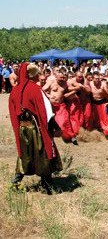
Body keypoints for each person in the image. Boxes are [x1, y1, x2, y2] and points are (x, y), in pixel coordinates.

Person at [9, 63, 62, 194]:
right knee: (42, 152)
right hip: (35, 128)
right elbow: (46, 112)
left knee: (24, 154)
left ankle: (16, 183)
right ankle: (47, 186)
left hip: (22, 129)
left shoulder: (14, 90)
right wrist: (54, 125)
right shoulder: (35, 89)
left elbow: (12, 110)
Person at [43, 71, 78, 145]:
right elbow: (42, 90)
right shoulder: (51, 82)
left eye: (63, 77)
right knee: (50, 121)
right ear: (56, 77)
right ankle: (49, 136)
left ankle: (71, 136)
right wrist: (49, 96)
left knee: (65, 121)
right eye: (60, 77)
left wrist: (73, 91)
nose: (62, 79)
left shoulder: (65, 84)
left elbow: (74, 89)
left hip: (61, 105)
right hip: (51, 105)